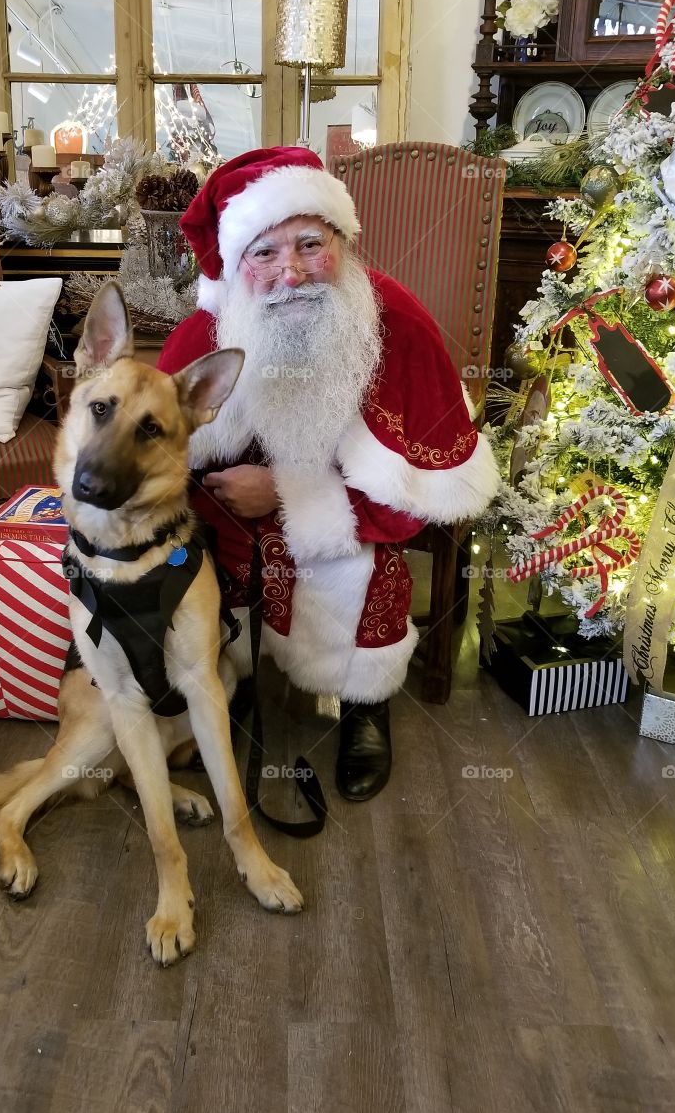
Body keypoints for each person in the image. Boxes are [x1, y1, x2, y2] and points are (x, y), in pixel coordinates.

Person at [157, 147, 498, 801]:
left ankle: (364, 706)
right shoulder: (212, 328)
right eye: (264, 253)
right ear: (236, 266)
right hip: (233, 520)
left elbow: (424, 491)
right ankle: (227, 689)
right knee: (188, 561)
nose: (291, 273)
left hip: (354, 519)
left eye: (310, 244)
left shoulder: (395, 322)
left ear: (341, 243)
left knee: (362, 569)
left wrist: (285, 496)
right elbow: (156, 444)